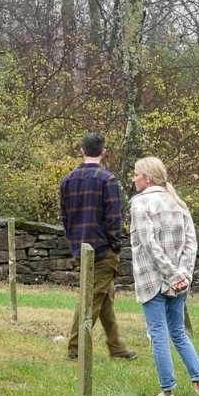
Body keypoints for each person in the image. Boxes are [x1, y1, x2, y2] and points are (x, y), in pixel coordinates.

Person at [128, 157, 199, 396]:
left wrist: (173, 274)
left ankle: (167, 390)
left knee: (158, 333)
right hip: (179, 280)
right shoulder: (178, 203)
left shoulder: (140, 203)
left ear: (147, 178)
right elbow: (191, 244)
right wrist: (183, 274)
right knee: (179, 332)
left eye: (136, 174)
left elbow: (148, 243)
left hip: (152, 279)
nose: (133, 178)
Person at [59, 132, 137, 362]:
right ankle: (75, 348)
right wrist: (115, 245)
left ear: (82, 150)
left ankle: (116, 346)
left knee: (104, 298)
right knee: (92, 300)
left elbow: (65, 217)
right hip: (103, 249)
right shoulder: (107, 180)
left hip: (80, 247)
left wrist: (73, 242)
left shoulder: (68, 180)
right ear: (103, 152)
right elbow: (114, 218)